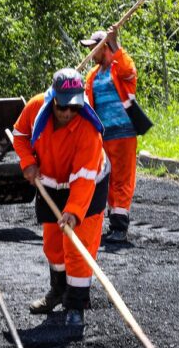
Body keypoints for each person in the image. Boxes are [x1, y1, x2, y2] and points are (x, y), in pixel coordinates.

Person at [12, 68, 110, 327]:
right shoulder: (35, 108)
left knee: (77, 248)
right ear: (53, 99)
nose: (67, 113)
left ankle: (76, 304)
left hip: (88, 186)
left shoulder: (89, 129)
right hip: (51, 185)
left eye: (73, 107)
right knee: (53, 246)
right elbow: (20, 134)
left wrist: (75, 210)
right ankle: (57, 292)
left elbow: (84, 177)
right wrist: (27, 162)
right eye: (62, 107)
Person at [81, 28, 139, 242]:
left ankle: (119, 227)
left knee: (122, 179)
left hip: (123, 131)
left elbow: (129, 71)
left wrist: (116, 45)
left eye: (92, 48)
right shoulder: (92, 75)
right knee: (106, 178)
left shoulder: (119, 67)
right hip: (103, 134)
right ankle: (113, 222)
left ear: (103, 47)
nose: (89, 53)